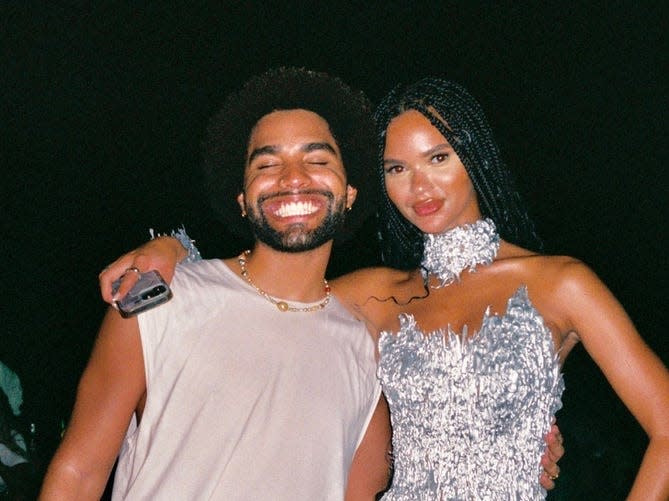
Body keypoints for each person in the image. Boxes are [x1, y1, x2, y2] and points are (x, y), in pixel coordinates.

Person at [102, 76, 669, 500]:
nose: (419, 185)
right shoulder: (373, 292)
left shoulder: (561, 283)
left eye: (438, 158)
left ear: (474, 160)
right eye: (396, 169)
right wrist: (173, 250)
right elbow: (264, 290)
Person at [39, 68, 390, 500]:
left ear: (350, 192)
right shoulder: (159, 300)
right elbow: (78, 473)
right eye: (267, 163)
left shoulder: (368, 353)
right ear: (242, 199)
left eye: (318, 160)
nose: (293, 177)